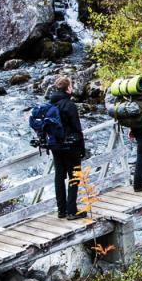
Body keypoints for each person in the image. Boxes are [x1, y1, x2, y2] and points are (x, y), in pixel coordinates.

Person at [47, 75, 87, 218]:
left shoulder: (50, 104)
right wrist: (82, 148)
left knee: (59, 176)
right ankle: (72, 210)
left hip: (55, 146)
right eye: (71, 86)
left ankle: (61, 210)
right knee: (74, 176)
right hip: (71, 146)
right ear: (68, 88)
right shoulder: (69, 105)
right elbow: (77, 128)